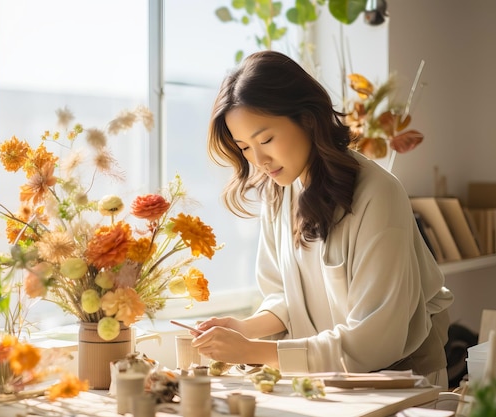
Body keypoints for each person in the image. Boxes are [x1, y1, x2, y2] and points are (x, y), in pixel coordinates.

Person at [192, 50, 454, 387]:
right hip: (327, 379)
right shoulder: (279, 190)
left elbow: (374, 339)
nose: (258, 159)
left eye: (266, 139)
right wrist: (244, 329)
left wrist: (252, 351)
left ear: (308, 119)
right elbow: (287, 297)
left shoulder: (379, 195)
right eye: (244, 147)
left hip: (402, 385)